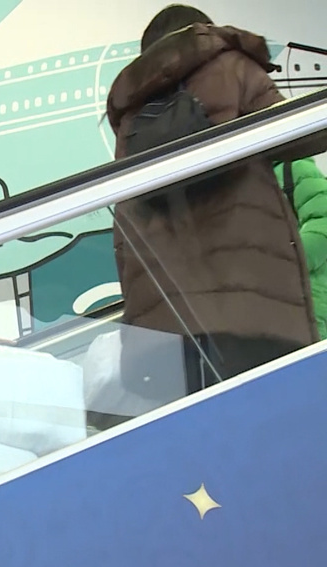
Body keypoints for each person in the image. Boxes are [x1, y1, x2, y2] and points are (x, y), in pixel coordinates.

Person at [106, 5, 327, 395]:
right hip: (254, 304)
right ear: (201, 31)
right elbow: (302, 132)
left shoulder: (132, 112)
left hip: (167, 330)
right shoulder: (230, 67)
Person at [276, 157, 327, 339]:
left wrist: (283, 262)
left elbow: (322, 223)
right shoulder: (238, 186)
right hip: (282, 314)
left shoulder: (295, 168)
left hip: (315, 300)